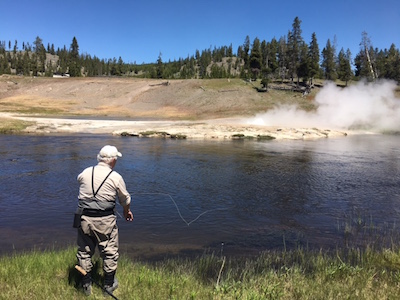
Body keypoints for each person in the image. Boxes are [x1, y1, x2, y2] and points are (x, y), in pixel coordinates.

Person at [75, 145, 133, 296]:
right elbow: (125, 199)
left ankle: (86, 283)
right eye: (116, 159)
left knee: (84, 251)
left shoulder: (86, 172)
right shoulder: (116, 177)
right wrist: (127, 212)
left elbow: (79, 180)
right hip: (105, 220)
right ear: (113, 160)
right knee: (109, 252)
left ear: (99, 158)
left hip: (83, 219)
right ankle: (108, 285)